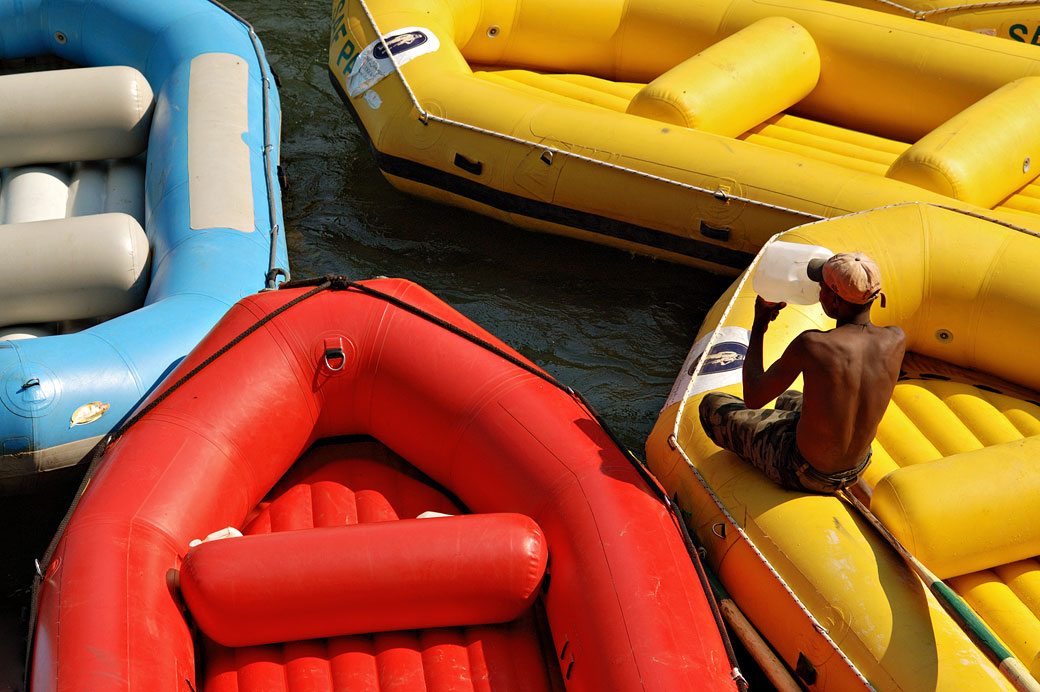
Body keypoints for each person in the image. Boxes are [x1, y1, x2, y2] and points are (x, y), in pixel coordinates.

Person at [699, 252, 906, 494]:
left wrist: (759, 325)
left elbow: (753, 398)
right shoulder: (896, 339)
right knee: (788, 398)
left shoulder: (813, 345)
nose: (819, 293)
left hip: (804, 471)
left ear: (836, 301)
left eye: (823, 287)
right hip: (857, 467)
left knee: (712, 405)